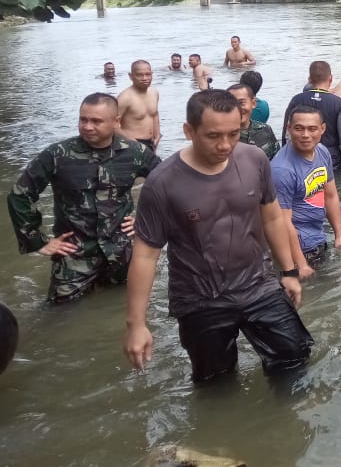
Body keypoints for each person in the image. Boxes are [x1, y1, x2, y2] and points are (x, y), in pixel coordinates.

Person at [123, 90, 312, 383]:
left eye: (233, 134)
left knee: (295, 359)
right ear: (189, 130)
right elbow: (146, 256)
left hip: (258, 286)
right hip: (200, 299)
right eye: (213, 136)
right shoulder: (162, 183)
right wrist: (137, 324)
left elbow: (272, 216)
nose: (225, 145)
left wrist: (288, 271)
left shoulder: (255, 160)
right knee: (216, 383)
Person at [6, 93, 160, 303]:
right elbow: (19, 195)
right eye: (83, 119)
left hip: (122, 251)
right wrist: (37, 242)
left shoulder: (136, 153)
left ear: (116, 122)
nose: (87, 126)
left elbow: (167, 186)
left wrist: (146, 220)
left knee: (124, 306)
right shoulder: (57, 155)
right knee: (61, 316)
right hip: (75, 256)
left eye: (96, 121)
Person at [272, 105, 341, 272]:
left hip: (318, 238)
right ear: (289, 129)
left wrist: (339, 236)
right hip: (297, 249)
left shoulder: (322, 152)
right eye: (299, 129)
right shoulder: (282, 170)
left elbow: (330, 195)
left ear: (322, 129)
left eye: (312, 129)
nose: (305, 135)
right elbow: (283, 222)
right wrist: (301, 264)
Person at [282, 61, 341, 171]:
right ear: (330, 78)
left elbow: (286, 134)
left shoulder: (296, 100)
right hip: (331, 160)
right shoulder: (338, 103)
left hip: (300, 158)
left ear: (309, 79)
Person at [117, 59, 161, 152]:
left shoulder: (154, 93)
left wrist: (157, 136)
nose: (145, 78)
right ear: (131, 76)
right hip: (131, 144)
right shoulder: (125, 98)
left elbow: (155, 114)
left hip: (151, 143)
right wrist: (132, 142)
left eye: (148, 74)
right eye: (140, 75)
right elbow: (112, 125)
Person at [228, 83, 279, 160]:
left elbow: (276, 159)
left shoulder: (265, 130)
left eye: (241, 103)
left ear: (253, 103)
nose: (236, 108)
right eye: (231, 104)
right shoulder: (223, 136)